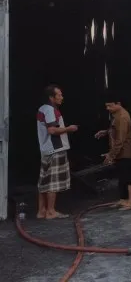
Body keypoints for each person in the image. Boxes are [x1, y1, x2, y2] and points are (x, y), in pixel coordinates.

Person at [36, 85, 78, 219]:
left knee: (44, 180)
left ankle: (41, 211)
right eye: (59, 95)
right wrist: (69, 129)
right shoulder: (50, 110)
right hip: (55, 149)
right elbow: (52, 130)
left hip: (46, 149)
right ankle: (50, 211)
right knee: (53, 181)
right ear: (51, 97)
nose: (61, 97)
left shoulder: (42, 108)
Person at [95, 94, 131, 210]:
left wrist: (110, 155)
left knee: (128, 178)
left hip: (125, 153)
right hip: (120, 153)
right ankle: (123, 200)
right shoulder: (116, 115)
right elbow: (115, 129)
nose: (108, 108)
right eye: (106, 106)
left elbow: (120, 140)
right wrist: (106, 132)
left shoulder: (122, 117)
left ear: (118, 104)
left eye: (110, 106)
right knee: (122, 178)